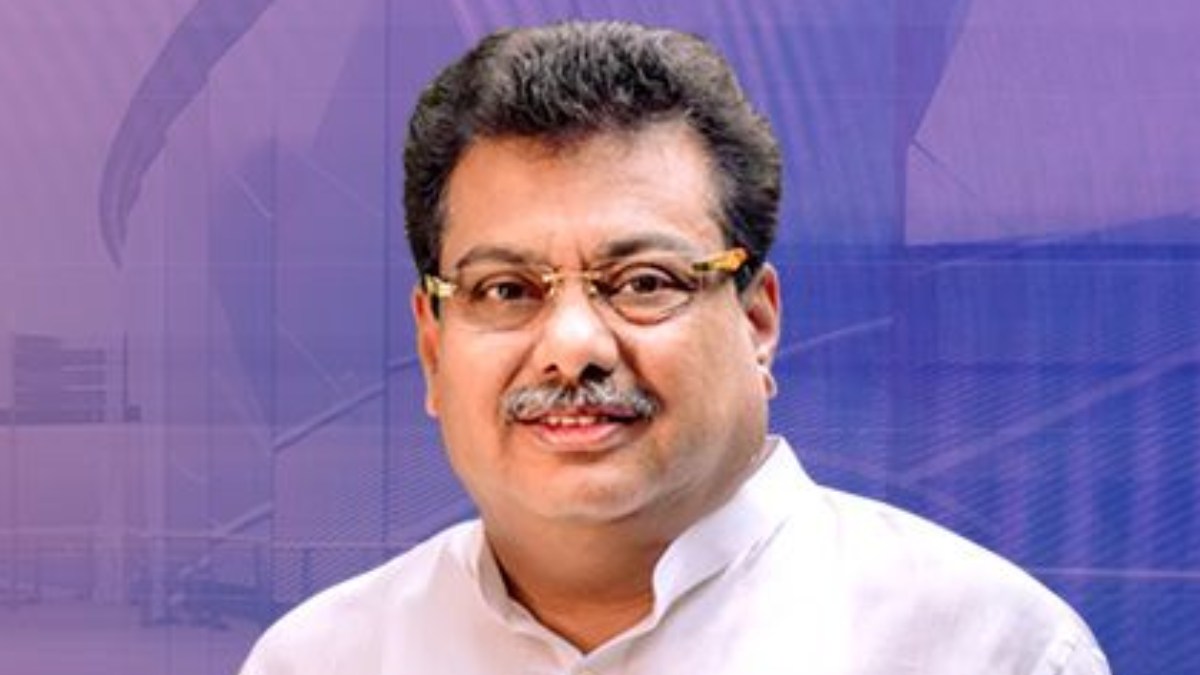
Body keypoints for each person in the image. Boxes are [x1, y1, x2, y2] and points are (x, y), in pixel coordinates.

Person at [240, 20, 1109, 674]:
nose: (572, 346)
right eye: (506, 290)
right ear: (433, 350)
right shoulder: (321, 658)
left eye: (643, 281)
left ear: (757, 321)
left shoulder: (989, 651)